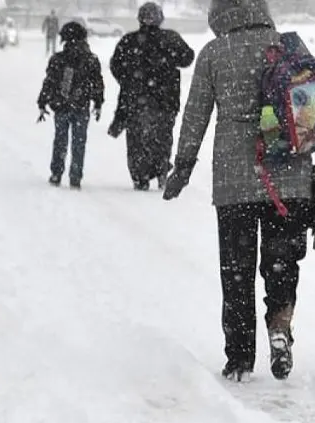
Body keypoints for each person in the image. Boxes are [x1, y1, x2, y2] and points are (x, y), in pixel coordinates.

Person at [162, 0, 311, 382]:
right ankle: (280, 326)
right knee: (281, 264)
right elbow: (308, 110)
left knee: (237, 271)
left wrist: (183, 166)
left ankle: (240, 358)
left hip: (235, 182)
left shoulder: (214, 53)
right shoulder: (289, 45)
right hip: (290, 178)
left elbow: (196, 114)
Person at [109, 2, 194, 191]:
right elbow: (187, 58)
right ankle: (161, 168)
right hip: (166, 100)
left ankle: (140, 176)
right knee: (162, 138)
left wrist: (129, 80)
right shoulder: (170, 38)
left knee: (137, 140)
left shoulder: (129, 41)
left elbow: (116, 66)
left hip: (135, 100)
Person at [36, 21, 104, 189]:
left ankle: (56, 172)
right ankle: (75, 175)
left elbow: (49, 82)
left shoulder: (58, 59)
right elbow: (97, 83)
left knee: (60, 140)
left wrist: (43, 101)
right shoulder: (91, 59)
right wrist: (98, 102)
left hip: (61, 105)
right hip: (81, 106)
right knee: (79, 142)